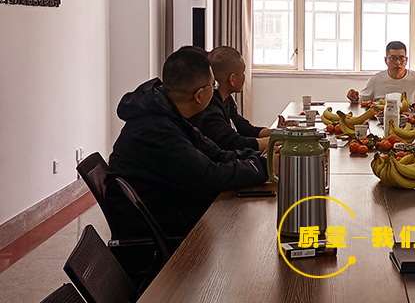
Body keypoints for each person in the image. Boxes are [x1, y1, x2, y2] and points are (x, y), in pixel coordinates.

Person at [105, 47, 271, 244]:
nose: (215, 89)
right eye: (213, 84)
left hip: (172, 210)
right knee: (248, 231)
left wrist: (263, 159)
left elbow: (216, 155)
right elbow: (210, 176)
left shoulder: (169, 113)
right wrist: (265, 167)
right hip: (157, 236)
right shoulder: (156, 130)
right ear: (200, 96)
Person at [190, 45, 287, 151]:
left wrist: (278, 133)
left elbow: (245, 128)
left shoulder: (226, 99)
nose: (244, 76)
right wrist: (280, 139)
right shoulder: (210, 109)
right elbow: (235, 143)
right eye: (243, 71)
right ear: (232, 79)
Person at [346, 41, 415, 103]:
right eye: (393, 58)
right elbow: (361, 100)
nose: (397, 63)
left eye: (401, 58)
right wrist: (354, 98)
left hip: (412, 121)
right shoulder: (376, 80)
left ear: (406, 60)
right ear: (386, 60)